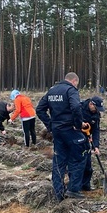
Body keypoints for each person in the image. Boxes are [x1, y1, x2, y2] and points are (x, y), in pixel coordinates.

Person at [36, 72, 89, 201]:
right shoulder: (71, 90)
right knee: (79, 157)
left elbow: (39, 109)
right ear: (74, 81)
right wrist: (78, 124)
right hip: (70, 130)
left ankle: (58, 193)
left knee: (59, 162)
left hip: (57, 132)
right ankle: (73, 189)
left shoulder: (52, 91)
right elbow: (76, 107)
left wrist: (50, 126)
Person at [79, 96, 105, 191]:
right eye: (96, 108)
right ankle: (76, 187)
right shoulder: (79, 109)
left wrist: (96, 146)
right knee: (78, 164)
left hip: (86, 139)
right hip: (76, 139)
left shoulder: (96, 114)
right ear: (91, 104)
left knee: (88, 166)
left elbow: (96, 131)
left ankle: (86, 187)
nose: (97, 111)